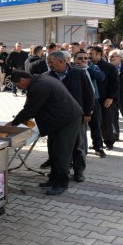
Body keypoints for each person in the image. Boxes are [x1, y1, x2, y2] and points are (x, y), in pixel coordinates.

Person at [7, 70, 82, 195]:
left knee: (61, 153)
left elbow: (30, 110)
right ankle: (53, 179)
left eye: (18, 85)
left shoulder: (39, 86)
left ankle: (61, 184)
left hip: (67, 120)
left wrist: (13, 123)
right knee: (53, 150)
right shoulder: (39, 79)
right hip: (59, 120)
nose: (19, 88)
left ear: (22, 80)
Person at [45, 51, 94, 182]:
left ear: (62, 61)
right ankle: (60, 171)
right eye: (48, 62)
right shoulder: (47, 77)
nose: (49, 65)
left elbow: (89, 94)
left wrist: (88, 113)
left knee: (78, 145)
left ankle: (78, 171)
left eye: (51, 62)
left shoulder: (79, 74)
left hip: (77, 117)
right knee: (55, 146)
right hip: (56, 118)